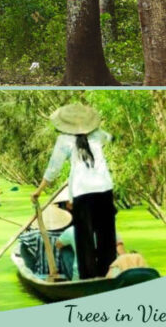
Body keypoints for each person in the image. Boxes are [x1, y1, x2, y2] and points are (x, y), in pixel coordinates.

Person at [32, 103, 116, 280]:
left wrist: (39, 191)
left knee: (84, 238)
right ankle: (108, 274)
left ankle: (88, 278)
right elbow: (111, 138)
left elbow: (53, 168)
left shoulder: (64, 140)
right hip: (104, 189)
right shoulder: (97, 135)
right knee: (106, 235)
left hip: (82, 192)